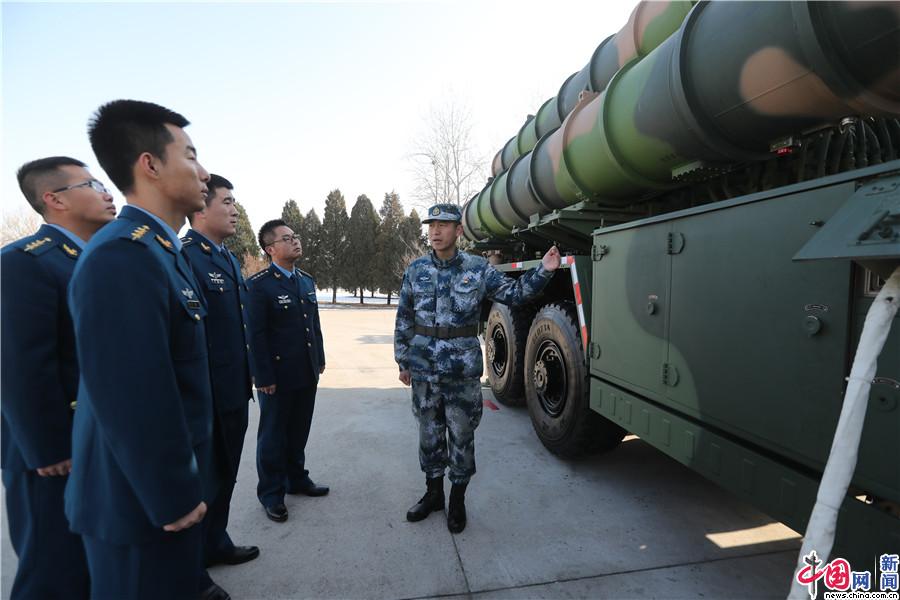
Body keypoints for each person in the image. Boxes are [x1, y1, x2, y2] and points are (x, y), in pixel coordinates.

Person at [64, 99, 223, 600]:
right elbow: (131, 397)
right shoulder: (123, 255)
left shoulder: (157, 249)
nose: (203, 171)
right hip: (140, 509)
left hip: (158, 503)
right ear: (149, 165)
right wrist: (174, 496)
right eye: (191, 155)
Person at [394, 203, 560, 533]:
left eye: (443, 225)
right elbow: (404, 317)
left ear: (459, 231)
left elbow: (514, 294)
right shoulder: (416, 271)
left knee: (461, 434)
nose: (436, 231)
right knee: (429, 434)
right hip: (424, 367)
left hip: (461, 370)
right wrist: (403, 359)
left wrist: (544, 269)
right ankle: (432, 495)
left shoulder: (477, 269)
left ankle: (457, 501)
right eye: (431, 226)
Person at [1, 156, 115, 599]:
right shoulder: (23, 262)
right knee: (53, 570)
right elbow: (20, 364)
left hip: (96, 439)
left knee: (92, 566)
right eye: (91, 183)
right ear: (53, 199)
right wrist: (46, 447)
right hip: (51, 450)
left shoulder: (99, 261)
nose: (107, 192)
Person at [182, 174, 260, 576]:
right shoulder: (186, 256)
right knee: (203, 486)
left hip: (233, 391)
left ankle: (216, 542)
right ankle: (192, 570)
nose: (234, 209)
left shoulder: (227, 257)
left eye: (235, 202)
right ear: (200, 207)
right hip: (205, 397)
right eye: (227, 202)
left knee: (225, 476)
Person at [247, 219, 328, 523]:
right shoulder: (259, 286)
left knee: (298, 430)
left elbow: (314, 326)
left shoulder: (305, 281)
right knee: (273, 436)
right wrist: (263, 376)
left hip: (306, 371)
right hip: (277, 378)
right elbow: (255, 335)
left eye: (295, 236)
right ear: (271, 249)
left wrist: (318, 358)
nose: (295, 241)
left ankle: (296, 479)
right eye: (287, 238)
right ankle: (271, 493)